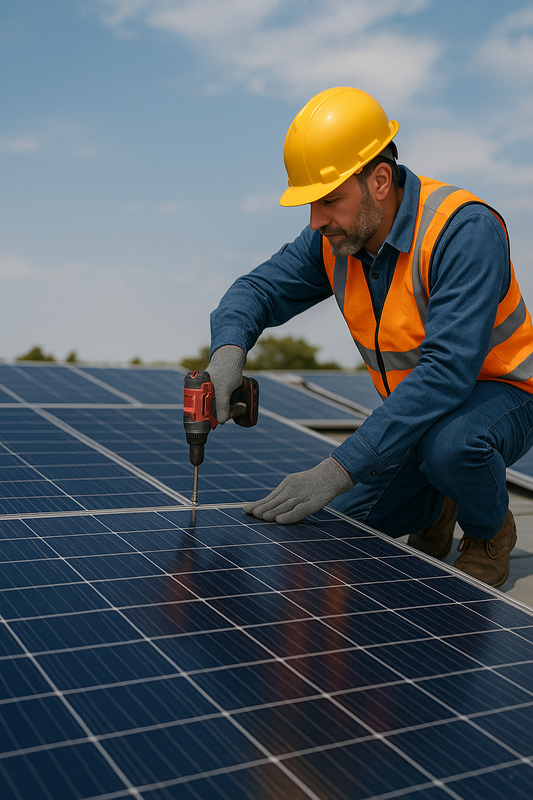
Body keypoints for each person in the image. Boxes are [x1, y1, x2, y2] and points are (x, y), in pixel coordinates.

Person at [206, 86, 533, 588]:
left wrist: (335, 470)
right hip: (420, 410)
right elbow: (256, 289)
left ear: (380, 179)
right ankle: (436, 506)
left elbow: (447, 374)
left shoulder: (463, 230)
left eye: (329, 200)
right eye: (310, 205)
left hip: (506, 392)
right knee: (341, 527)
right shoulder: (336, 237)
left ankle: (490, 533)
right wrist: (228, 352)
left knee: (452, 446)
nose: (316, 222)